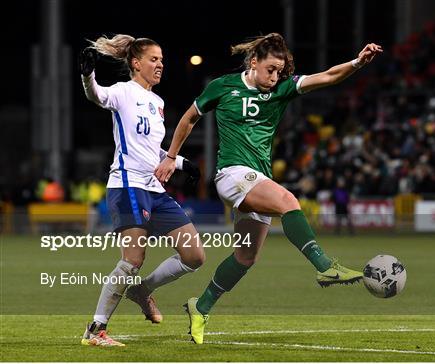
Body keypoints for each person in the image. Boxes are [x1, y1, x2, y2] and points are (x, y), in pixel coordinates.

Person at [155, 33, 382, 344]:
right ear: (254, 63)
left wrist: (358, 62)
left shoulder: (282, 90)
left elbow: (328, 76)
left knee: (245, 257)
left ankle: (201, 306)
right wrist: (170, 157)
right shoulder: (223, 86)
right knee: (289, 200)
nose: (276, 77)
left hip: (257, 179)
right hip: (231, 174)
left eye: (280, 71)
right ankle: (325, 266)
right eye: (271, 69)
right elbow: (189, 118)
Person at [79, 34, 205, 346]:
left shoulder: (157, 103)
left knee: (194, 255)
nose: (160, 64)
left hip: (154, 190)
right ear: (136, 64)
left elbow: (152, 151)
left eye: (161, 60)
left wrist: (182, 163)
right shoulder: (123, 92)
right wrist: (87, 74)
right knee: (132, 258)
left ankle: (142, 290)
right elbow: (96, 96)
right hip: (127, 185)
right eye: (153, 59)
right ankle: (95, 331)